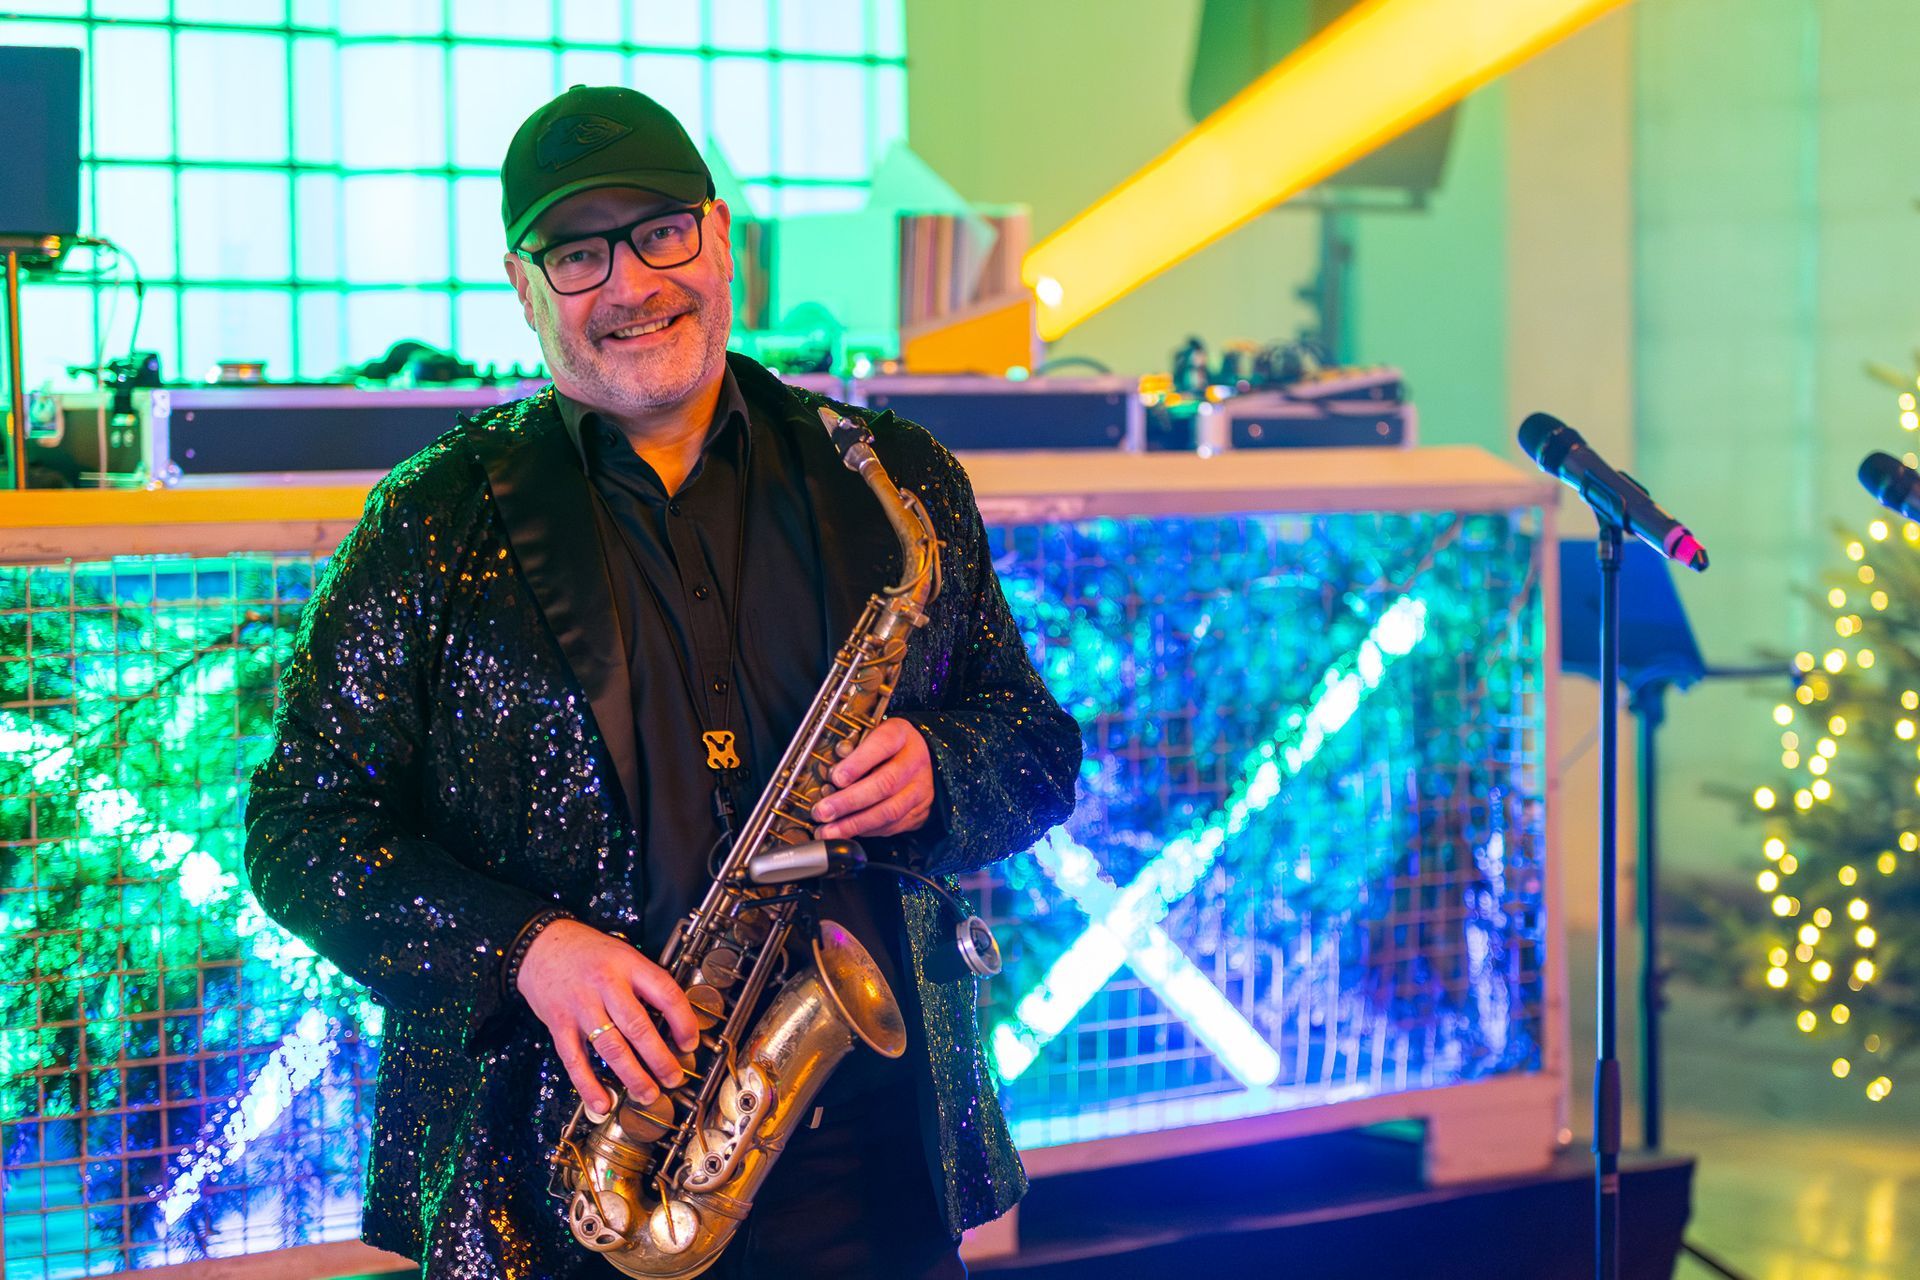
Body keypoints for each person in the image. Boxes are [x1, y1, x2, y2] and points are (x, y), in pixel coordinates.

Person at [242, 84, 1080, 1280]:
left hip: (870, 1175)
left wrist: (942, 769)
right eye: (577, 253)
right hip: (554, 1189)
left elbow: (1036, 743)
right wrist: (529, 949)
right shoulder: (430, 521)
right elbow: (301, 831)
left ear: (719, 235)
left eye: (660, 232)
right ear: (523, 285)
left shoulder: (890, 477)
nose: (630, 284)